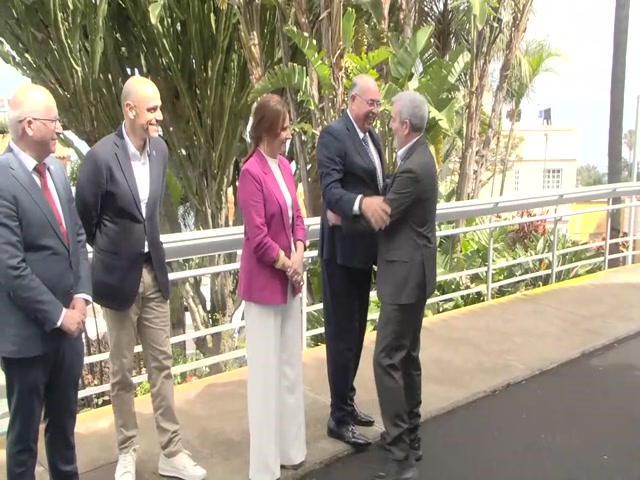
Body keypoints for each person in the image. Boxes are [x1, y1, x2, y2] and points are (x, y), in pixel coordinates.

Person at [74, 76, 206, 480]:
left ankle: (172, 451)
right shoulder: (100, 157)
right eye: (152, 109)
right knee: (121, 374)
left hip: (154, 273)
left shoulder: (160, 151)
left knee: (162, 366)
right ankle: (127, 451)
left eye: (159, 108)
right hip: (117, 281)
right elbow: (86, 219)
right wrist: (115, 252)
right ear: (129, 109)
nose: (159, 116)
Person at [327, 90, 438, 480]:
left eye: (391, 118)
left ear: (405, 125)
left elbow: (384, 215)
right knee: (406, 358)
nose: (386, 123)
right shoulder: (421, 156)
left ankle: (400, 454)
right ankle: (411, 438)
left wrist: (342, 218)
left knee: (386, 359)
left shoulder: (413, 168)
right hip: (414, 273)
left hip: (404, 276)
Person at [0, 84, 91, 480]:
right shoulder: (3, 180)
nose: (59, 128)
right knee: (23, 442)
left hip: (69, 333)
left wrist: (81, 298)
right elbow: (10, 266)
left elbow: (77, 237)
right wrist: (58, 315)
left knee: (64, 432)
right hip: (27, 338)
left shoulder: (55, 169)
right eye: (53, 121)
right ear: (29, 125)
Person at [317, 73, 391, 448]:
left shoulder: (372, 138)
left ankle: (347, 400)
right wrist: (362, 204)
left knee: (357, 333)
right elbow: (331, 192)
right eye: (370, 103)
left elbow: (378, 184)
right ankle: (338, 417)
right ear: (352, 100)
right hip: (341, 255)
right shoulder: (334, 135)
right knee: (341, 336)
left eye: (378, 104)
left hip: (363, 253)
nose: (375, 110)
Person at [237, 93, 307, 480]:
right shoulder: (250, 173)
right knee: (264, 377)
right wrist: (287, 264)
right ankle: (264, 466)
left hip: (289, 285)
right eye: (283, 128)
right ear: (266, 130)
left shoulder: (284, 167)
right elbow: (258, 236)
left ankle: (291, 449)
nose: (288, 134)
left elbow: (297, 217)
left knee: (289, 367)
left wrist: (299, 253)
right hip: (264, 288)